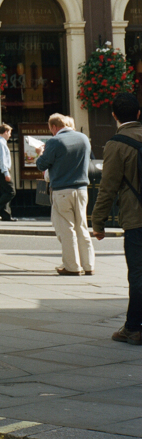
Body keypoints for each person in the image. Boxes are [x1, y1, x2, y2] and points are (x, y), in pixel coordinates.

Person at [93, 92, 142, 345]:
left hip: (137, 219)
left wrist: (98, 223)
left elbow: (108, 187)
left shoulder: (116, 144)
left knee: (138, 273)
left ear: (114, 116)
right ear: (138, 113)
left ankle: (133, 328)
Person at [35, 113, 94, 276]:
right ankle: (88, 264)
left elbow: (41, 165)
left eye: (51, 129)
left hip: (62, 190)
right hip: (82, 189)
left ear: (53, 127)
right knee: (82, 226)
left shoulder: (55, 141)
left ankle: (72, 266)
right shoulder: (83, 138)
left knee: (67, 228)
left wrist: (40, 152)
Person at [0, 124, 16, 221]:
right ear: (5, 132)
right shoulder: (1, 143)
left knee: (5, 191)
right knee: (11, 191)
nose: (10, 135)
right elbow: (2, 159)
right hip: (1, 170)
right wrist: (6, 172)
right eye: (9, 133)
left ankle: (6, 215)